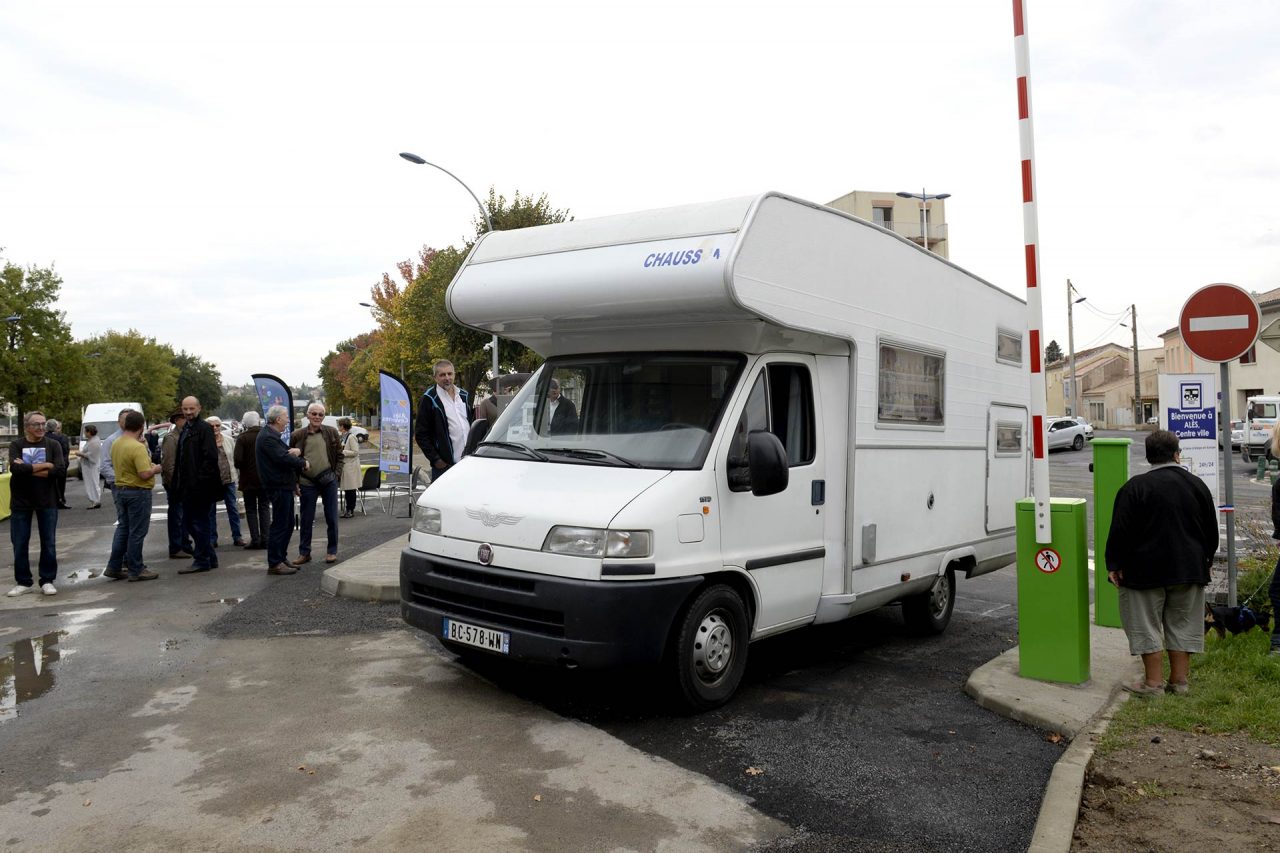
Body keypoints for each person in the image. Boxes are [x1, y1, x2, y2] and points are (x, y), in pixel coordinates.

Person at [1105, 430, 1218, 696]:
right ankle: (1179, 683)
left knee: (1145, 624)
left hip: (1142, 571)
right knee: (1183, 623)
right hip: (1189, 568)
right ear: (1177, 454)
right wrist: (1207, 560)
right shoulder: (1197, 485)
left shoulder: (1134, 488)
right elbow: (1210, 531)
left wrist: (1114, 564)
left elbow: (1120, 531)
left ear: (1148, 456)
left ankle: (1152, 684)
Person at [6, 411, 66, 597]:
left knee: (48, 542)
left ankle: (47, 580)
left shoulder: (53, 444)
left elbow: (60, 470)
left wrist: (28, 469)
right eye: (36, 425)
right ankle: (23, 581)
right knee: (19, 542)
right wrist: (46, 465)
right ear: (27, 427)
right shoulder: (16, 445)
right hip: (21, 501)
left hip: (47, 499)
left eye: (43, 424)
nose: (41, 428)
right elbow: (16, 469)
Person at [103, 410, 162, 582]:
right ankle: (136, 568)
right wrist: (156, 469)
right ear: (141, 426)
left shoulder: (116, 443)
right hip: (138, 491)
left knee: (123, 529)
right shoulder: (137, 447)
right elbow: (144, 473)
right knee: (137, 532)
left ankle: (114, 566)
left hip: (120, 489)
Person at [173, 396, 223, 574]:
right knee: (191, 522)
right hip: (188, 486)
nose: (188, 412)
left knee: (197, 523)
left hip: (200, 487)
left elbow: (210, 458)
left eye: (191, 409)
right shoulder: (186, 428)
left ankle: (202, 559)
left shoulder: (203, 429)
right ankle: (209, 557)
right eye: (185, 409)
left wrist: (199, 483)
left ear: (199, 408)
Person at [255, 404, 306, 575]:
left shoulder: (272, 436)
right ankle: (275, 563)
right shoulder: (268, 437)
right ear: (278, 419)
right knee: (280, 524)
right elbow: (283, 458)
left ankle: (281, 557)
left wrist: (297, 452)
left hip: (284, 485)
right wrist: (303, 462)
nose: (288, 420)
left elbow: (287, 453)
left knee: (288, 523)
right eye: (285, 416)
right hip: (277, 486)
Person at [290, 402, 343, 564]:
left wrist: (336, 475)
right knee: (306, 519)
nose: (317, 417)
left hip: (328, 480)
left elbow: (340, 456)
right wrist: (295, 482)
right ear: (307, 415)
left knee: (332, 517)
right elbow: (291, 461)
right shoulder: (297, 435)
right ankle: (304, 553)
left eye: (320, 414)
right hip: (307, 482)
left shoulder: (332, 432)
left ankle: (332, 551)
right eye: (314, 414)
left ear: (324, 417)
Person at [414, 359, 474, 481]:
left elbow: (471, 423)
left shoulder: (463, 395)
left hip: (468, 463)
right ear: (435, 377)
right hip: (445, 466)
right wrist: (436, 460)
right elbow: (421, 434)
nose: (447, 378)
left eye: (449, 374)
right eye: (442, 375)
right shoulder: (429, 399)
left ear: (454, 374)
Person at [206, 416, 245, 548]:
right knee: (210, 511)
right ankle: (212, 538)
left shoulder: (228, 440)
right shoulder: (204, 441)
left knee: (233, 509)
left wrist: (238, 478)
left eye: (217, 425)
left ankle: (237, 536)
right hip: (211, 482)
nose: (215, 428)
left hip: (229, 479)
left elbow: (235, 459)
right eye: (211, 426)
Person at [160, 410, 194, 559]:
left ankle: (184, 544)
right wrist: (174, 484)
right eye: (183, 419)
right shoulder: (171, 438)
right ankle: (176, 547)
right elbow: (168, 465)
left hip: (184, 484)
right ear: (177, 420)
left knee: (184, 516)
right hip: (175, 485)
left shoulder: (184, 436)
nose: (187, 422)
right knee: (176, 516)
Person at [234, 410, 270, 549]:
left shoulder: (242, 438)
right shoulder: (266, 435)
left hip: (248, 479)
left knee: (251, 510)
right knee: (264, 507)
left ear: (245, 423)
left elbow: (237, 460)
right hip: (265, 478)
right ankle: (266, 539)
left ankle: (255, 539)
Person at [98, 409, 133, 493]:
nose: (128, 422)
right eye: (125, 420)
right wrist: (121, 480)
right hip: (121, 487)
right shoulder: (111, 441)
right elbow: (104, 466)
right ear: (119, 421)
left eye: (130, 419)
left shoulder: (140, 438)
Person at [46, 419, 72, 509]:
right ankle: (61, 500)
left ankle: (52, 501)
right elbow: (65, 451)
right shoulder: (61, 438)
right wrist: (65, 463)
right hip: (60, 465)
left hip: (46, 465)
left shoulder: (43, 438)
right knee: (60, 484)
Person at [338, 417, 361, 518]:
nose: (338, 427)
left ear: (343, 426)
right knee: (347, 489)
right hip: (345, 466)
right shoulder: (342, 436)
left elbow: (355, 452)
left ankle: (350, 510)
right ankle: (348, 509)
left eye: (339, 425)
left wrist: (342, 452)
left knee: (350, 489)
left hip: (350, 466)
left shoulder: (351, 437)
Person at [80, 424, 103, 509]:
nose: (84, 433)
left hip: (91, 466)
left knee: (93, 482)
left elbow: (92, 455)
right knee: (91, 482)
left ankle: (95, 500)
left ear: (89, 432)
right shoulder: (92, 440)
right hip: (88, 466)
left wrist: (81, 454)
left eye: (85, 431)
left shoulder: (94, 442)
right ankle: (94, 500)